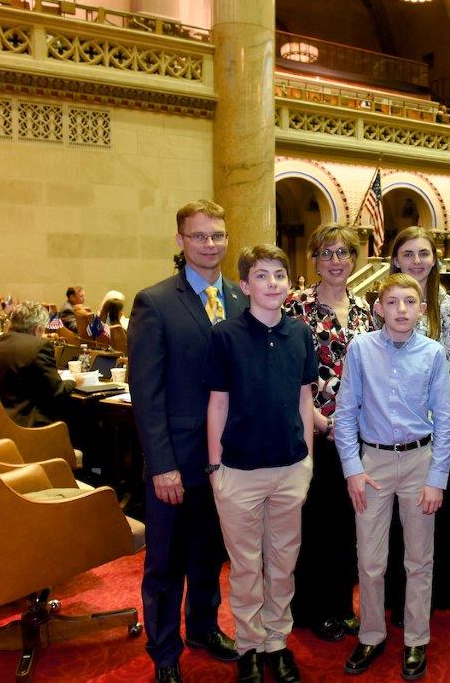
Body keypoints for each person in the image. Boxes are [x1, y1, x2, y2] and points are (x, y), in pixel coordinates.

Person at [128, 199, 247, 683]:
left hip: (228, 462)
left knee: (207, 554)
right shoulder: (154, 302)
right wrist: (162, 465)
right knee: (165, 563)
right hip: (175, 461)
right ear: (180, 241)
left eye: (217, 235)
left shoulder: (241, 299)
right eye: (199, 236)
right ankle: (164, 652)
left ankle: (202, 628)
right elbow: (146, 392)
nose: (210, 244)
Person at [333, 273, 450, 680]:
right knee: (370, 559)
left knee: (419, 559)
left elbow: (446, 418)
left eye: (409, 302)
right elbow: (346, 413)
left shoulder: (433, 352)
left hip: (420, 462)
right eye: (393, 301)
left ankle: (416, 639)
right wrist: (353, 469)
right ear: (379, 307)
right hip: (374, 465)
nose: (401, 309)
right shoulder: (361, 349)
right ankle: (371, 633)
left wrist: (437, 478)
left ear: (421, 309)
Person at [205, 244, 315, 683]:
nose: (273, 283)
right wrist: (215, 467)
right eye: (263, 276)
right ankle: (250, 644)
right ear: (245, 285)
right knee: (247, 566)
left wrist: (307, 460)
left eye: (280, 275)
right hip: (238, 471)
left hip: (290, 467)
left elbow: (305, 398)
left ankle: (277, 642)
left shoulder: (300, 334)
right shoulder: (225, 336)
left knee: (283, 561)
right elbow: (216, 404)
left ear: (289, 284)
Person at [286, 223, 373, 643]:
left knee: (348, 524)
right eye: (326, 253)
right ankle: (313, 608)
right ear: (314, 261)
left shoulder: (366, 311)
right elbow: (286, 373)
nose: (335, 261)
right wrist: (322, 423)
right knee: (314, 523)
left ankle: (342, 604)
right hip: (312, 433)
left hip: (356, 435)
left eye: (343, 253)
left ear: (354, 259)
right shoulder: (295, 307)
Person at [385, 226, 450, 620]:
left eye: (424, 253)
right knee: (397, 524)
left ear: (434, 259)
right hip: (390, 431)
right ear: (396, 258)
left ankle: (436, 595)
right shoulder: (381, 304)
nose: (417, 261)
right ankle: (398, 598)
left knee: (431, 515)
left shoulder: (448, 308)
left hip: (434, 434)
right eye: (409, 253)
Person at [0, 301, 78, 427]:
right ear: (38, 329)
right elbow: (57, 391)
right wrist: (72, 380)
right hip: (27, 426)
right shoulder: (39, 346)